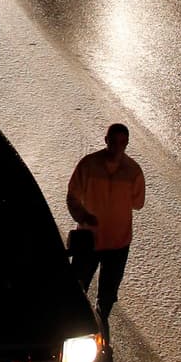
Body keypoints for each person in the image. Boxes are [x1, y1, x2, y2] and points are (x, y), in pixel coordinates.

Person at [66, 123, 145, 321]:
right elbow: (73, 196)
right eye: (114, 141)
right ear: (106, 140)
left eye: (122, 142)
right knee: (77, 290)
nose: (117, 147)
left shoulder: (133, 172)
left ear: (126, 143)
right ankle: (77, 326)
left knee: (105, 296)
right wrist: (83, 216)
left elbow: (138, 203)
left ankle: (99, 328)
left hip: (117, 245)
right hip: (90, 241)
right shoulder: (89, 165)